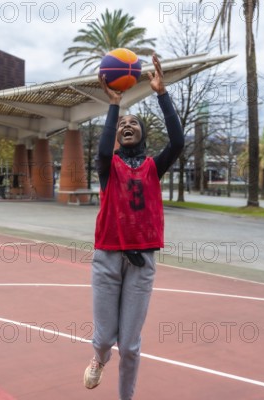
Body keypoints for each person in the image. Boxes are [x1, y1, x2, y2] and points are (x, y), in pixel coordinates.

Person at [83, 54, 184, 400]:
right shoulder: (108, 166)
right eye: (122, 124)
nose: (127, 126)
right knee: (104, 338)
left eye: (133, 123)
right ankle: (98, 359)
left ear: (142, 134)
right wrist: (114, 105)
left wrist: (162, 94)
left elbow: (178, 143)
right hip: (108, 257)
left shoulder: (154, 167)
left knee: (129, 345)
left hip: (143, 261)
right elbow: (101, 148)